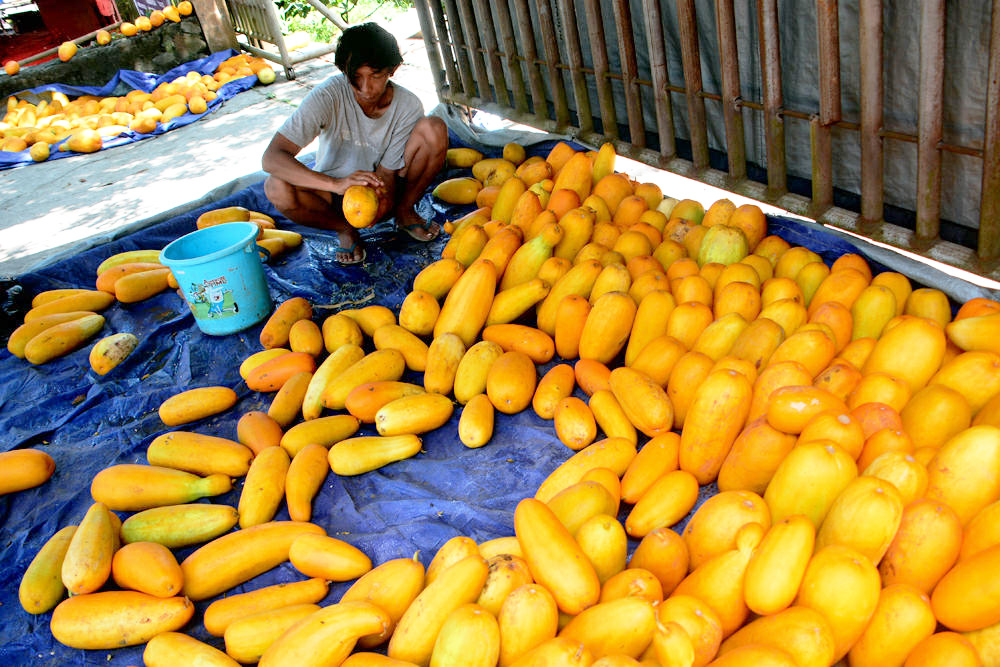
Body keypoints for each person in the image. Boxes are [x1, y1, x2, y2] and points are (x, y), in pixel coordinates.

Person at [262, 22, 448, 265]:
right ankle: (344, 230)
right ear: (343, 70)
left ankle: (404, 211)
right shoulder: (328, 95)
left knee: (434, 128)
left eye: (375, 76)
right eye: (355, 77)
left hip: (382, 188)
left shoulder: (407, 105)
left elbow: (388, 174)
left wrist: (384, 202)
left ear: (392, 70)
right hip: (331, 196)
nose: (365, 89)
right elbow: (272, 157)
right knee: (275, 186)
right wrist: (336, 184)